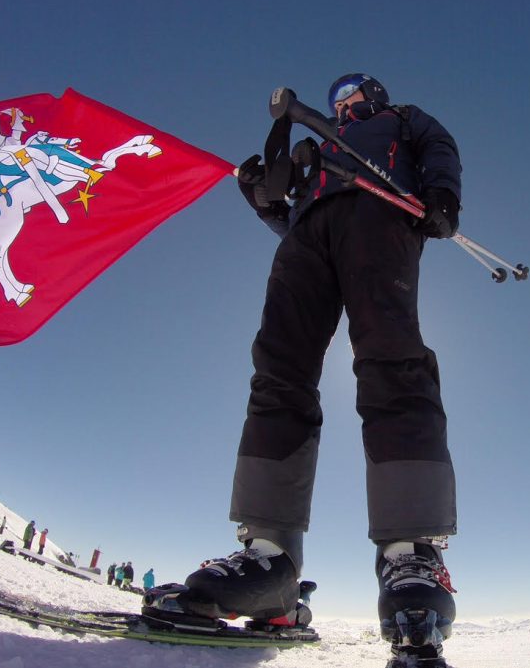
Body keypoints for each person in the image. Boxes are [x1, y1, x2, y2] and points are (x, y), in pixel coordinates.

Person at [172, 74, 461, 647]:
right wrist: (265, 202)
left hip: (381, 216)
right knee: (279, 370)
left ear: (375, 95)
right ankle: (270, 560)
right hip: (306, 237)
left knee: (391, 360)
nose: (342, 102)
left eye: (352, 93)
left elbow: (440, 146)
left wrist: (443, 194)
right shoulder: (319, 143)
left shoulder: (403, 120)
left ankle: (410, 555)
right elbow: (293, 210)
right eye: (335, 98)